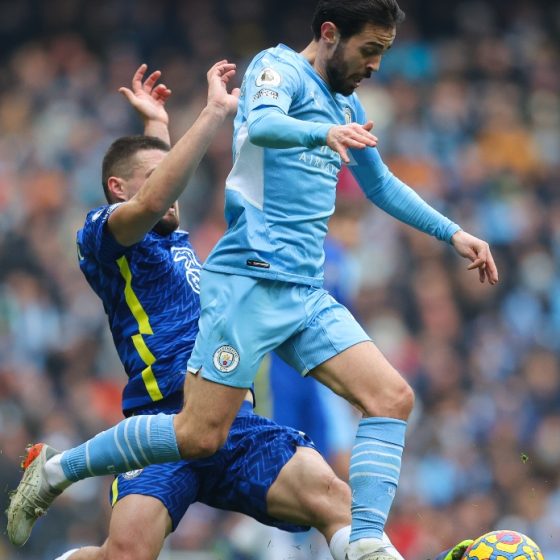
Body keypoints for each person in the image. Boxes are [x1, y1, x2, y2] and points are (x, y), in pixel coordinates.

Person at [8, 2, 499, 559]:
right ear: (330, 34)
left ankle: (366, 545)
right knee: (186, 452)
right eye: (369, 50)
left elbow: (380, 184)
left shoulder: (343, 107)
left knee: (391, 398)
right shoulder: (275, 70)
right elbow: (253, 130)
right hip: (237, 303)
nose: (376, 65)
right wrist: (307, 130)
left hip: (297, 302)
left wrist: (453, 232)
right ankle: (57, 470)